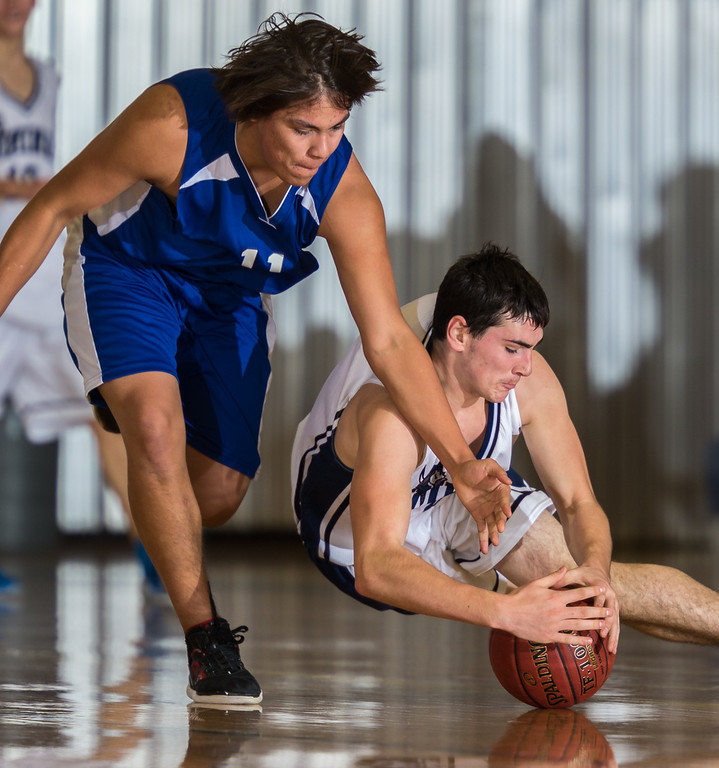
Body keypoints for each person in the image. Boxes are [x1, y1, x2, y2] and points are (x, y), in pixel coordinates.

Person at [0, 12, 512, 706]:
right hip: (127, 271)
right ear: (253, 109)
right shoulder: (172, 124)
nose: (321, 148)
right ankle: (207, 641)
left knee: (213, 497)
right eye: (305, 129)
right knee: (155, 429)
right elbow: (52, 204)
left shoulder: (343, 188)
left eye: (336, 129)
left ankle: (156, 469)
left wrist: (460, 463)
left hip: (230, 298)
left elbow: (389, 340)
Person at [293, 244, 719, 701]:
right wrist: (506, 612)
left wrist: (595, 573)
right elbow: (376, 567)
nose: (527, 366)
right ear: (458, 333)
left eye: (533, 348)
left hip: (461, 495)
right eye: (513, 348)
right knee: (504, 583)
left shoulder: (529, 382)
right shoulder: (390, 413)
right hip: (348, 542)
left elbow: (579, 504)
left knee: (588, 584)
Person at [0, 0, 161, 595]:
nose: (15, 6)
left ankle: (149, 545)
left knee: (105, 412)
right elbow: (43, 179)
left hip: (41, 272)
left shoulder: (47, 77)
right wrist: (28, 186)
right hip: (3, 264)